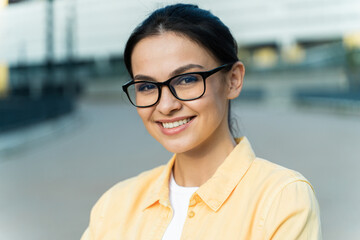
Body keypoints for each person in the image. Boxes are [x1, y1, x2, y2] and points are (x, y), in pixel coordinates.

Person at [81, 3, 322, 240]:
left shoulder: (281, 198)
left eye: (186, 80)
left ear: (233, 80)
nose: (166, 106)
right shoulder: (114, 206)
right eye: (146, 86)